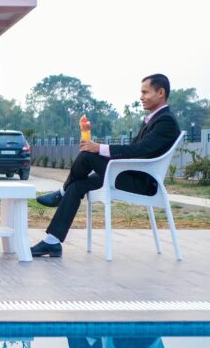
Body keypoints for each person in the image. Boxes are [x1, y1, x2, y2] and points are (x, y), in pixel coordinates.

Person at [31, 73, 181, 257]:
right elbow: (133, 150)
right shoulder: (153, 119)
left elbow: (138, 151)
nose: (141, 97)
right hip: (129, 174)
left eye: (145, 92)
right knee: (77, 186)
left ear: (160, 93)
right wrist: (94, 143)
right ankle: (52, 241)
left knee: (87, 155)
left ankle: (61, 193)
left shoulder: (165, 121)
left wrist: (98, 148)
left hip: (141, 182)